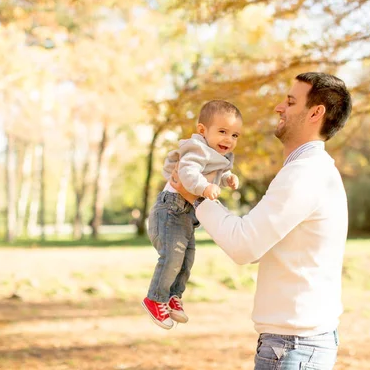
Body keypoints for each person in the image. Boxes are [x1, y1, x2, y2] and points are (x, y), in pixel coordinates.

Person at [170, 72, 352, 369]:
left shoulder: (305, 174)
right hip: (296, 343)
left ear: (316, 113)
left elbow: (244, 246)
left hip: (293, 347)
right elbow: (257, 241)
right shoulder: (312, 171)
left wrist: (197, 197)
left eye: (291, 102)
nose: (279, 107)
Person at [142, 99, 243, 330]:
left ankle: (172, 296)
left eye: (235, 135)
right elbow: (187, 173)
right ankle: (155, 298)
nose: (229, 139)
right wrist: (204, 188)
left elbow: (220, 173)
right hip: (171, 208)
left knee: (187, 259)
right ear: (202, 130)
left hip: (187, 214)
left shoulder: (222, 156)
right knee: (172, 256)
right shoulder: (197, 148)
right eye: (223, 132)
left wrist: (228, 179)